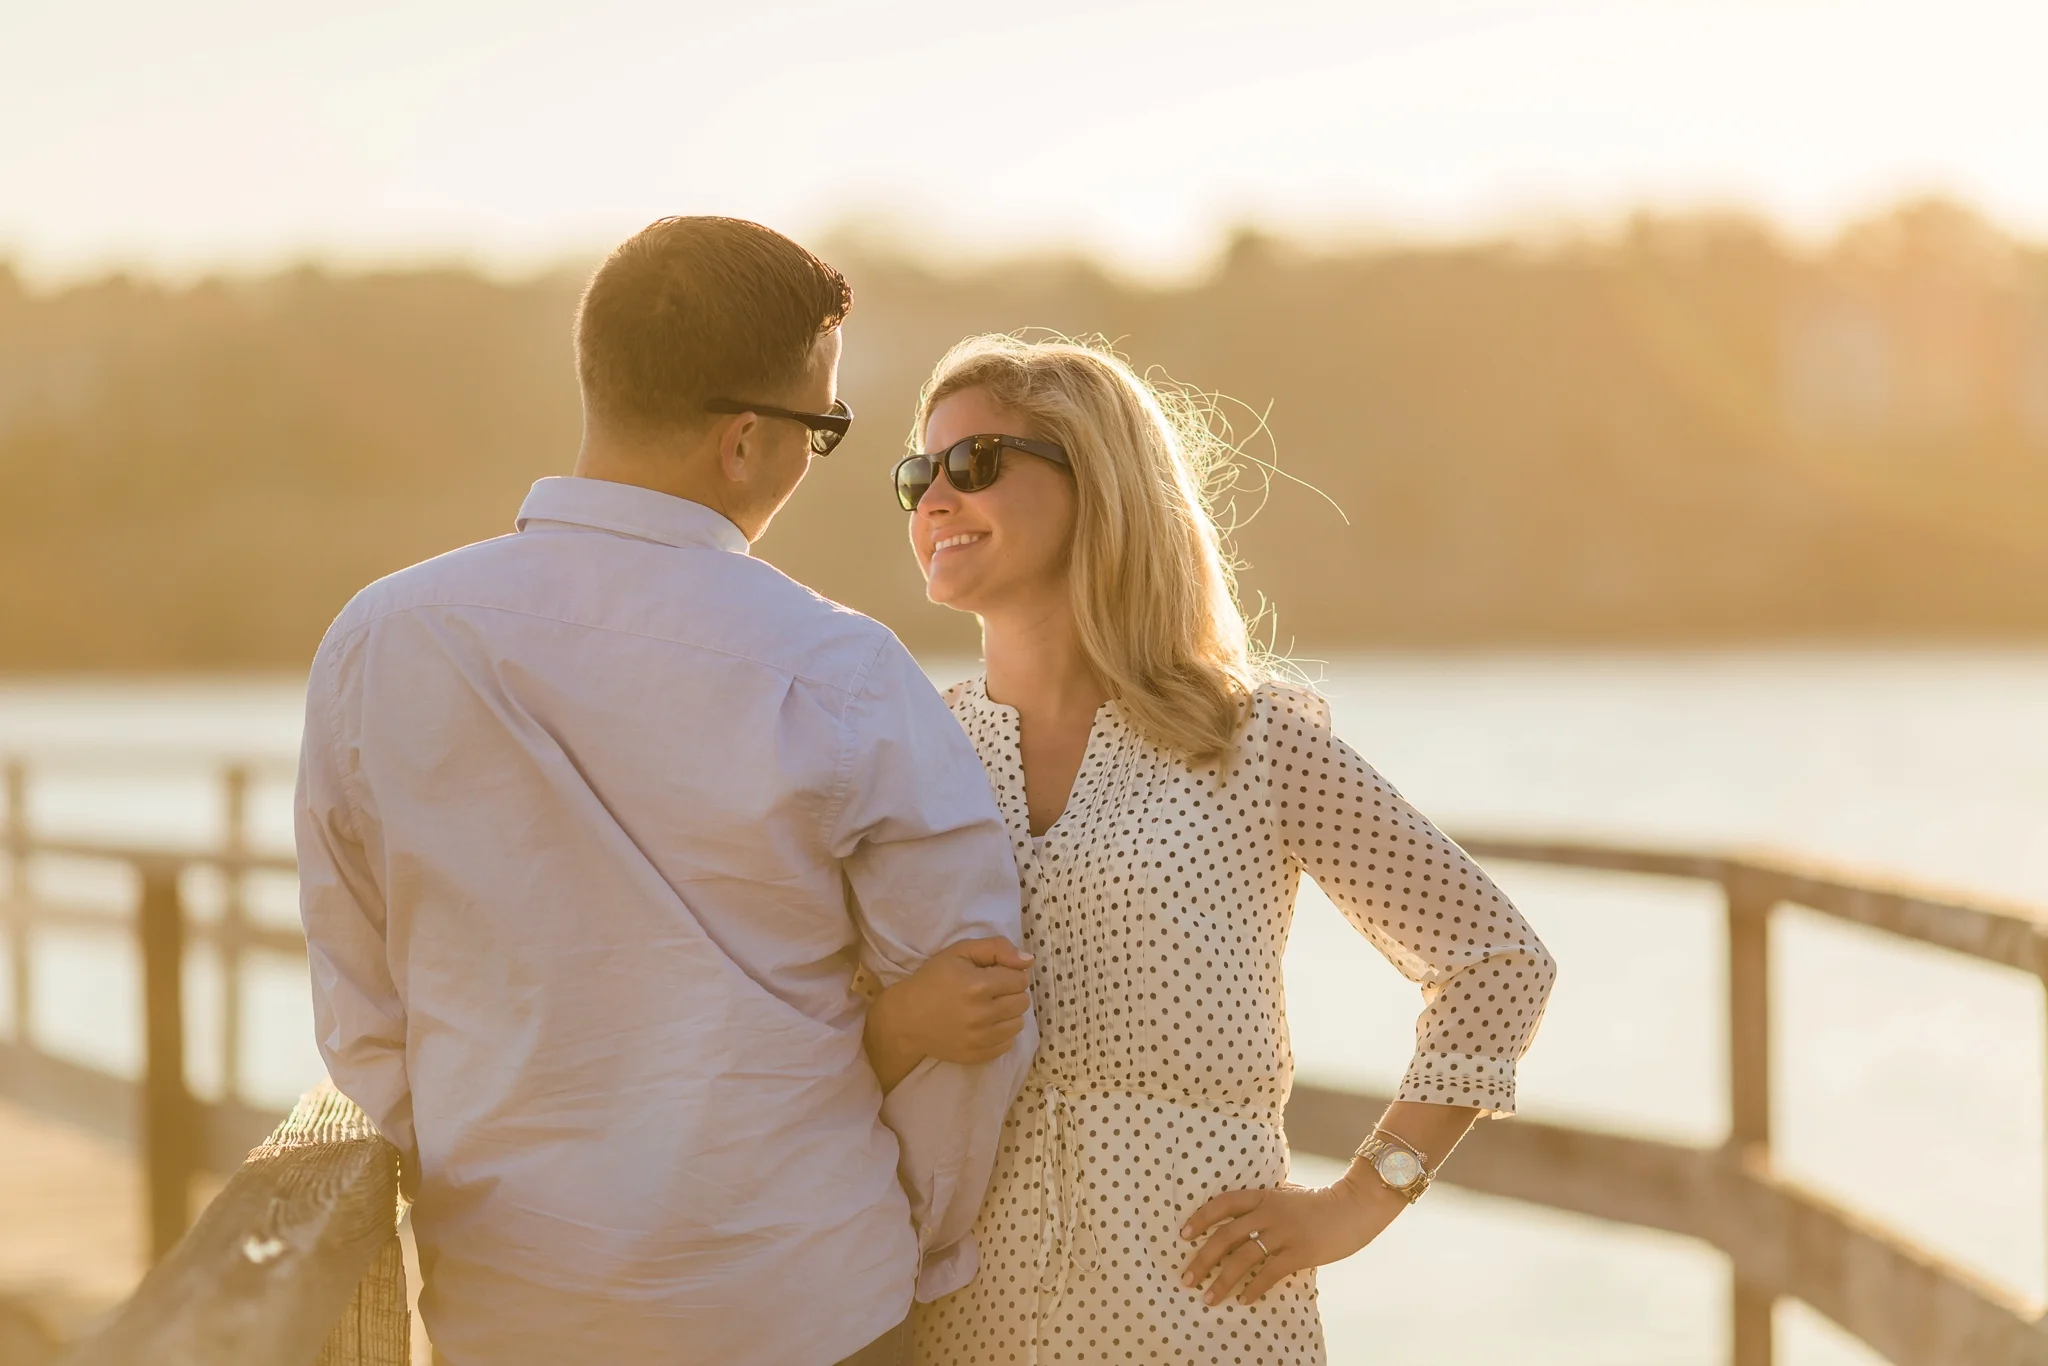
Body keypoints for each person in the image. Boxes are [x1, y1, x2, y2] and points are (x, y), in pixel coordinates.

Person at [294, 217, 1036, 1366]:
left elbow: (360, 1007)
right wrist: (910, 1238)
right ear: (744, 441)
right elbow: (971, 1002)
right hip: (808, 1297)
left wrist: (504, 1207)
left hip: (513, 1306)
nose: (813, 455)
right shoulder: (838, 668)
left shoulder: (381, 638)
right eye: (824, 429)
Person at [880, 335, 1560, 1363]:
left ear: (1095, 483)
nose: (935, 497)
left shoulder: (1252, 741)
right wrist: (895, 1020)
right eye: (917, 474)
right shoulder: (908, 754)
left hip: (1202, 1317)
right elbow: (798, 1019)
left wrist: (1362, 1196)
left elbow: (1495, 964)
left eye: (974, 463)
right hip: (964, 1320)